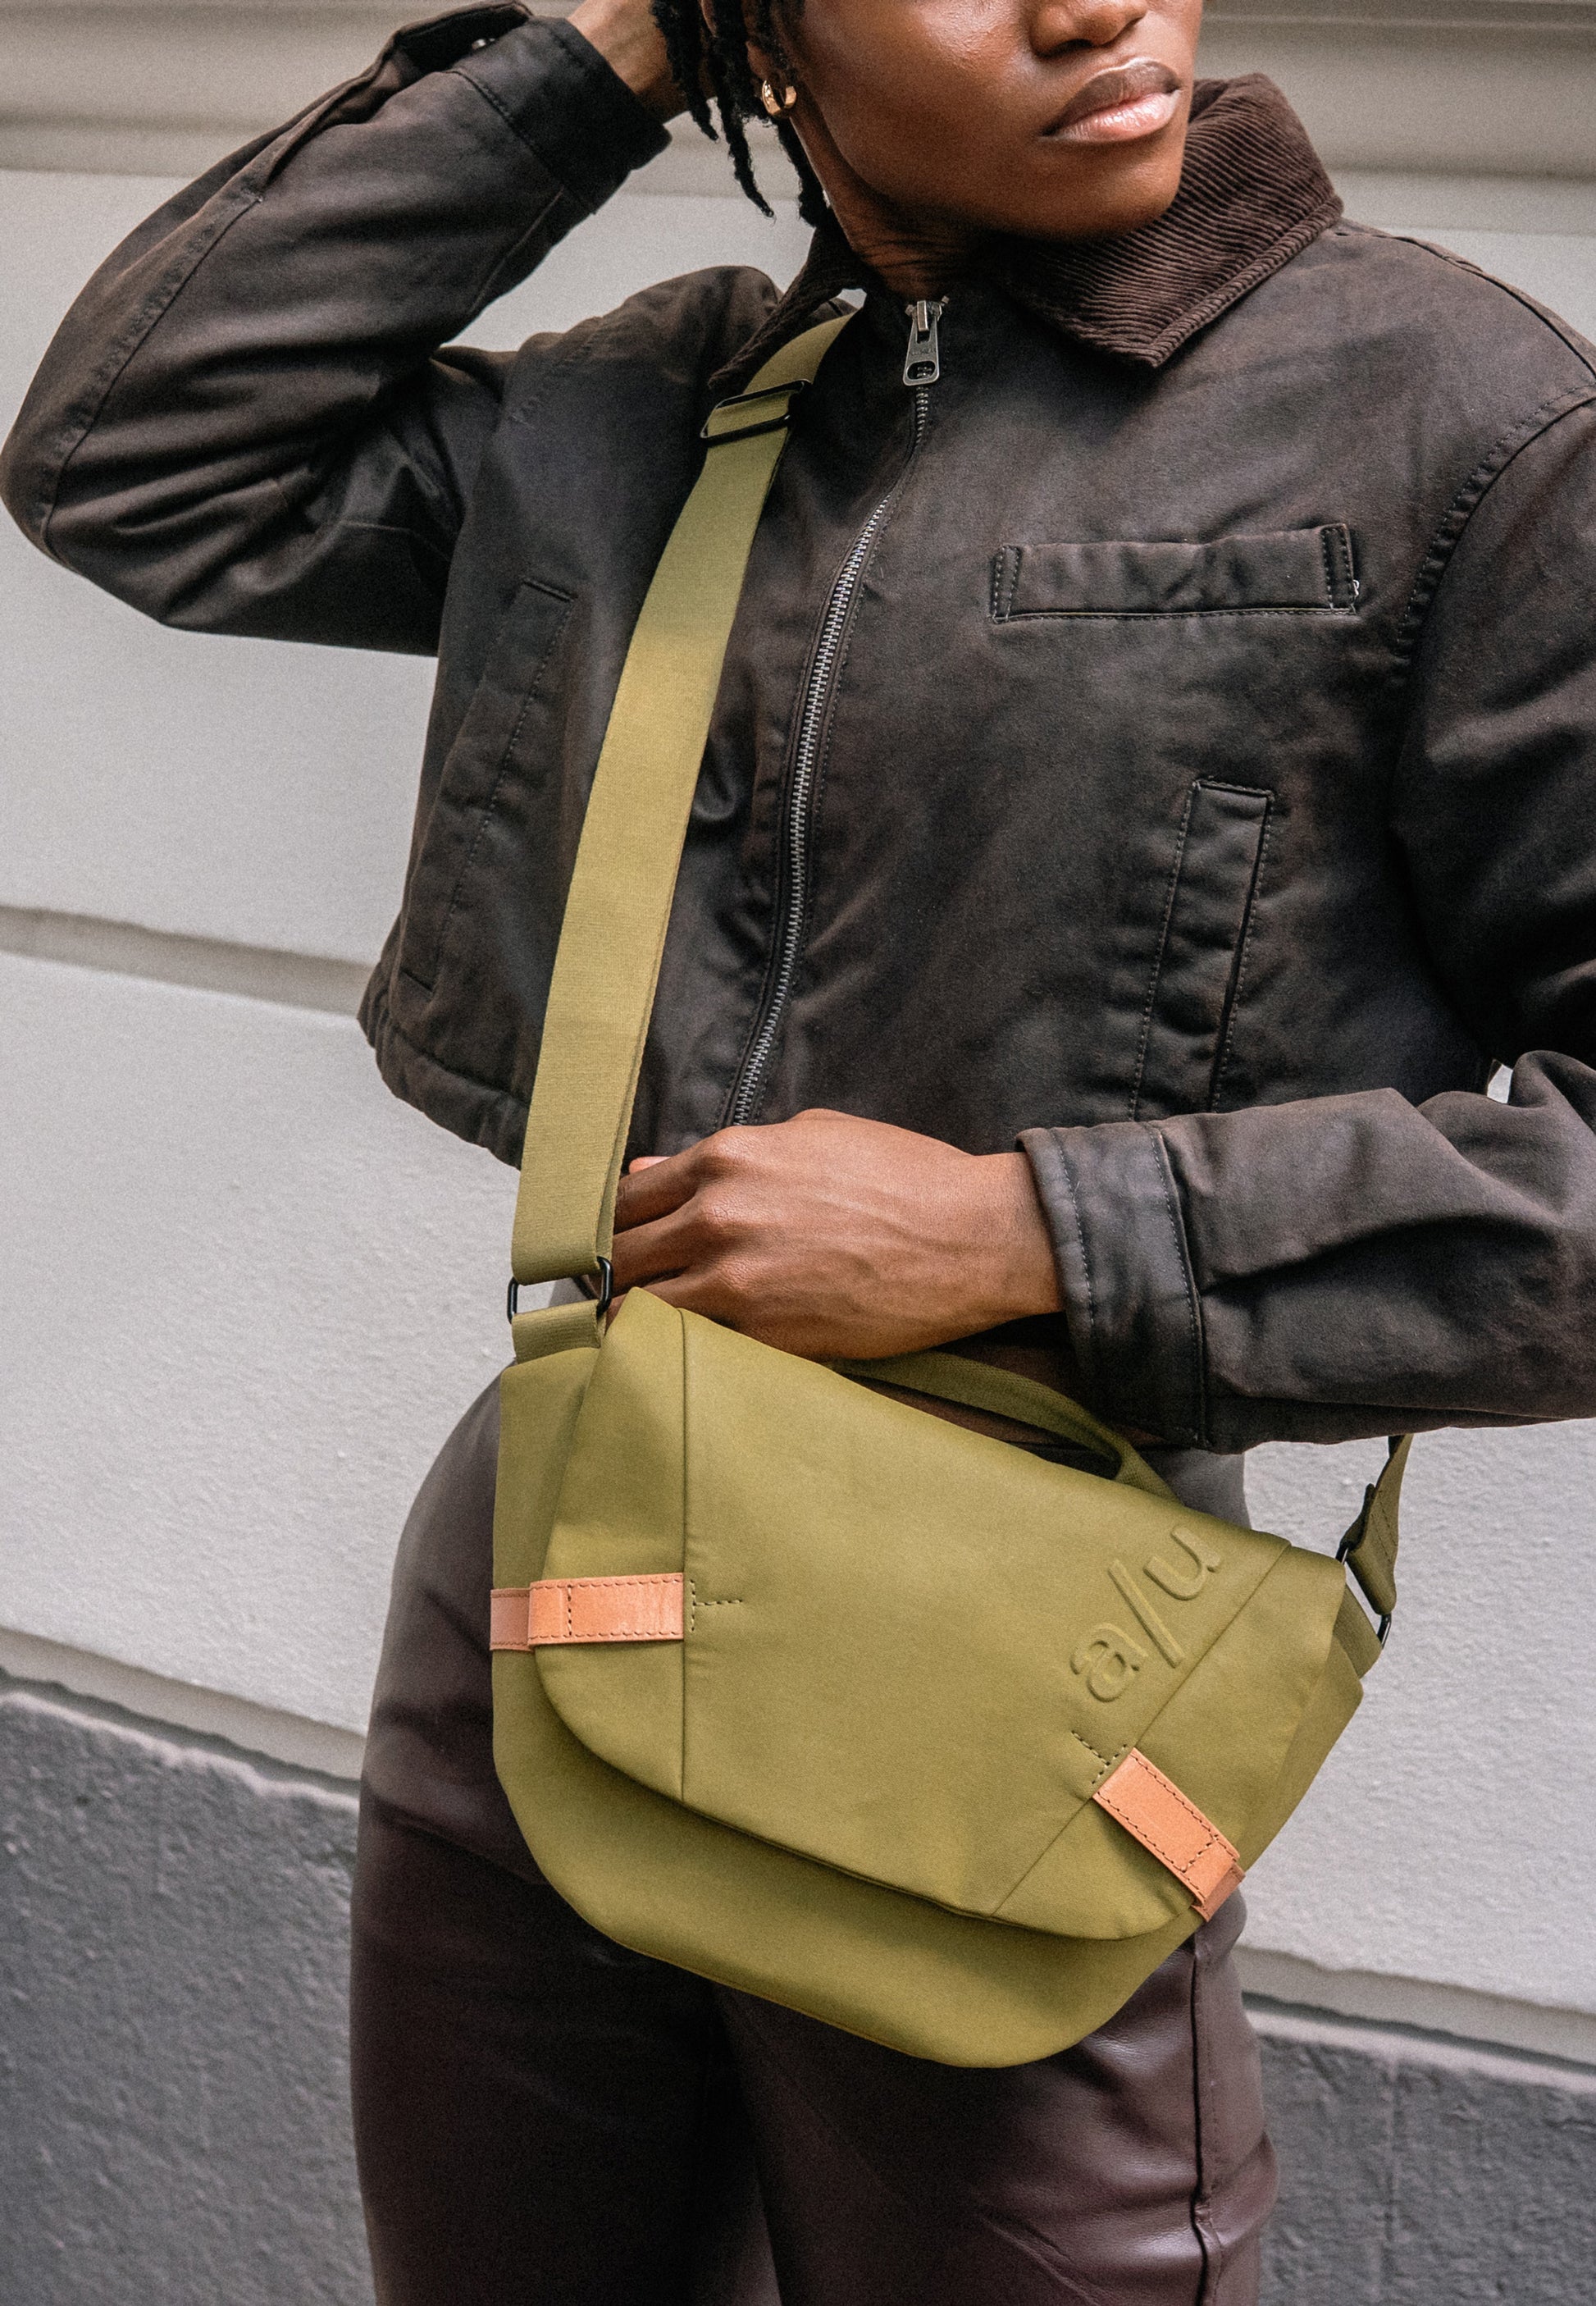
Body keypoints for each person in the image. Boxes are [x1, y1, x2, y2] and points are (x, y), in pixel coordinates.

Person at [7, 0, 1596, 2295]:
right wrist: (612, 52)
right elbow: (136, 454)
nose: (1097, 4)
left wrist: (1019, 1231)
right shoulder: (663, 409)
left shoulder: (1450, 422)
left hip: (1021, 1629)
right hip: (558, 1539)